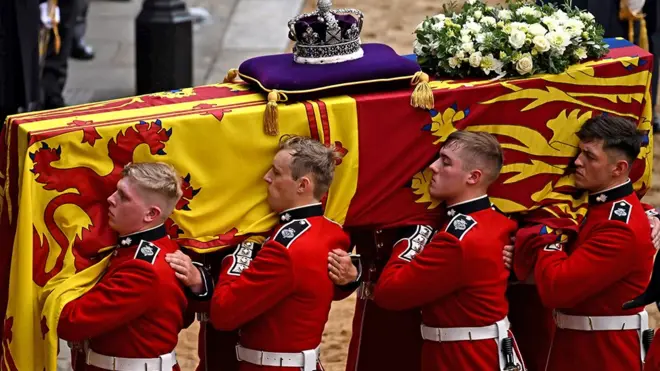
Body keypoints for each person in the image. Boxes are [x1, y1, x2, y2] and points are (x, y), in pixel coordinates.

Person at [169, 135, 353, 371]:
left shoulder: (285, 250)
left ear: (302, 185)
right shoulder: (332, 231)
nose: (266, 177)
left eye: (276, 173)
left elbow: (224, 313)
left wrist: (238, 253)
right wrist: (351, 277)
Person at [372, 131, 525, 371]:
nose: (432, 167)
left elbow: (389, 293)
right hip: (482, 349)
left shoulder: (459, 240)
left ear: (473, 177)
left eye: (445, 162)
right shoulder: (497, 220)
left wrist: (413, 237)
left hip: (463, 358)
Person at [515, 115, 655, 370]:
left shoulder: (619, 229)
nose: (577, 163)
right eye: (579, 153)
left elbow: (557, 287)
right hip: (573, 344)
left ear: (619, 169)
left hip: (603, 354)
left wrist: (549, 237)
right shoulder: (590, 204)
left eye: (590, 157)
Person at [57, 162, 190, 371]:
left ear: (151, 214)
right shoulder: (154, 247)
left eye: (123, 196)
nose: (110, 199)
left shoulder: (143, 270)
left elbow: (70, 323)